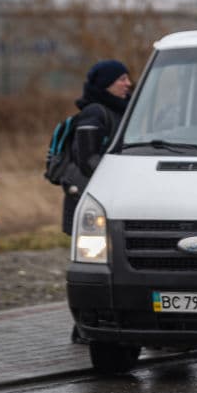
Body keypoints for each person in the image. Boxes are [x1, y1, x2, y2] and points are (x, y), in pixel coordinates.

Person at [64, 60, 132, 344]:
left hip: (111, 202)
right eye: (121, 79)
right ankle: (85, 327)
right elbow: (87, 158)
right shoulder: (94, 113)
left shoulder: (123, 112)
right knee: (94, 269)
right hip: (89, 206)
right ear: (106, 84)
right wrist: (118, 181)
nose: (128, 83)